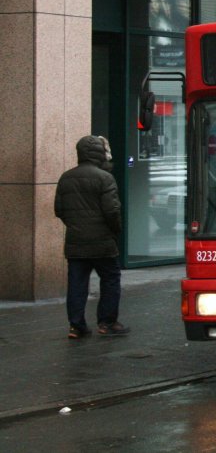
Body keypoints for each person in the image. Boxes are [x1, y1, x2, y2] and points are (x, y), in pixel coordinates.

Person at [54, 136, 130, 338]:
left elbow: (59, 210)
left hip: (76, 241)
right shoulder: (105, 178)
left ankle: (76, 326)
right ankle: (107, 322)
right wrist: (116, 231)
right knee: (110, 278)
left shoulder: (66, 177)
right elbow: (112, 211)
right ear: (100, 154)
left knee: (77, 283)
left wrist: (76, 226)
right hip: (103, 241)